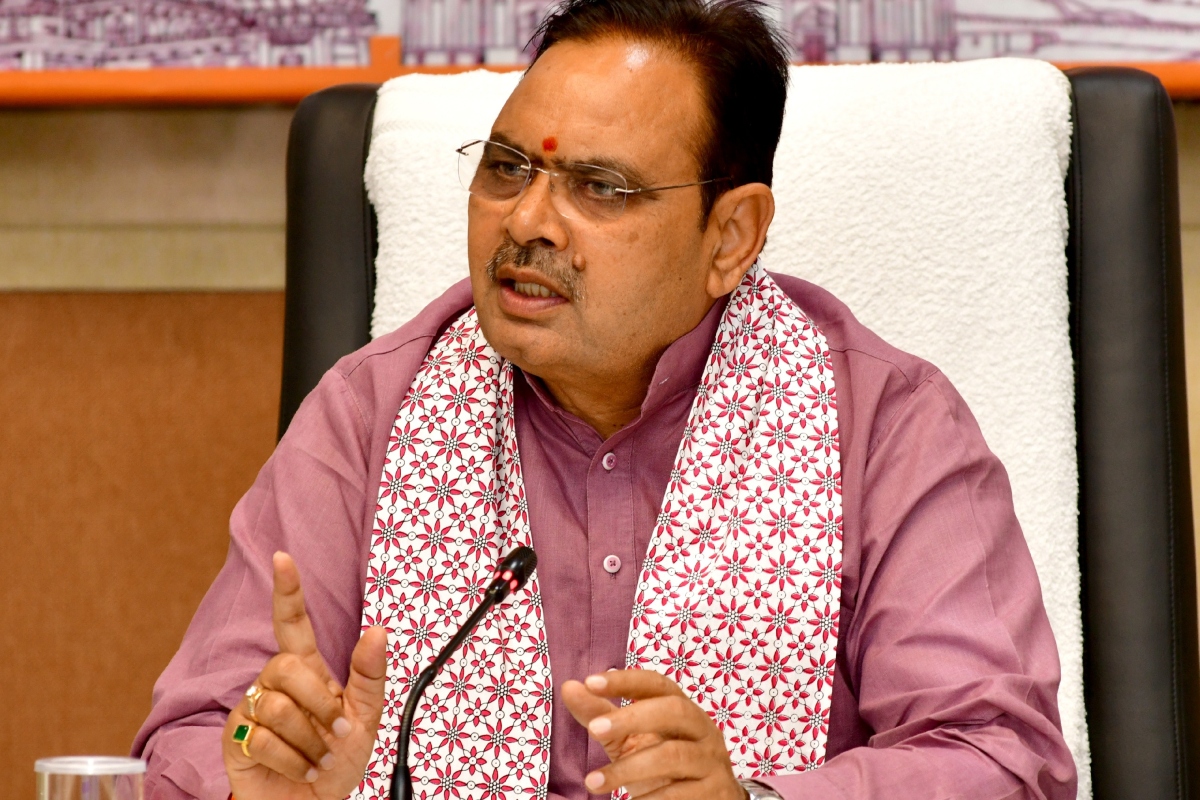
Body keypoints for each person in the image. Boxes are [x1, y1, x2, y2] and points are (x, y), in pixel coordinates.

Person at [133, 1, 1078, 798]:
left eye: (600, 187)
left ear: (731, 237)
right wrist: (257, 769)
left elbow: (1002, 760)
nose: (528, 221)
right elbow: (195, 736)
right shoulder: (370, 413)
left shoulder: (884, 426)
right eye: (507, 168)